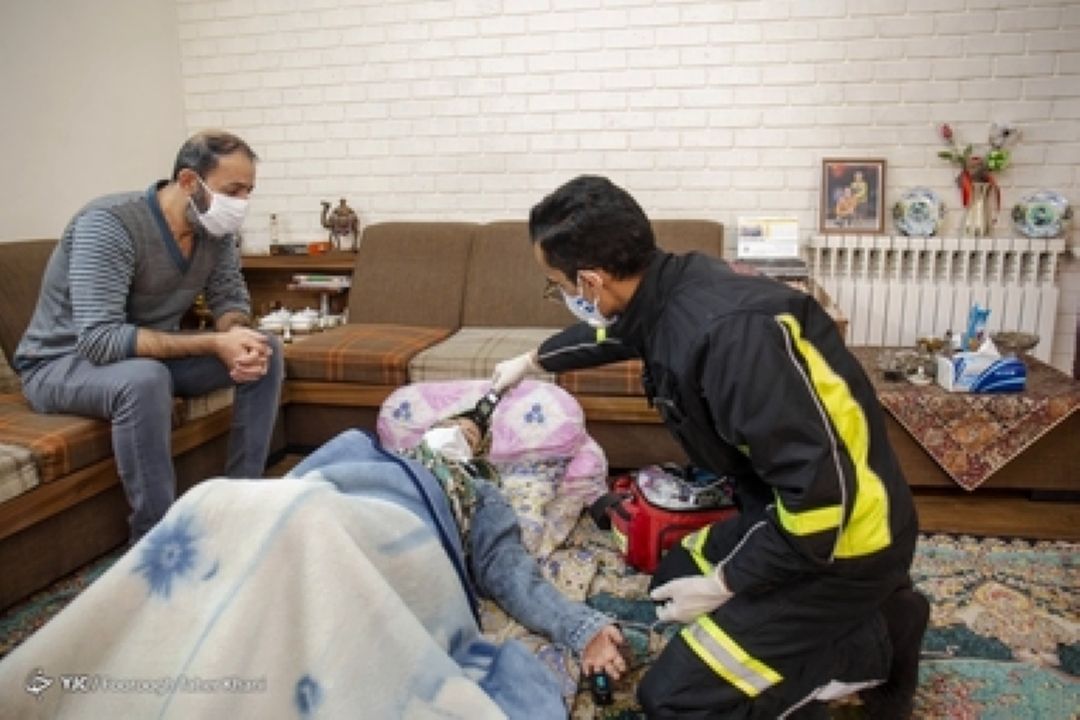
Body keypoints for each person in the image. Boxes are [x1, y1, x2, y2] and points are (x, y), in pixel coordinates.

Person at [489, 175, 928, 719]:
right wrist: (534, 360)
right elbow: (616, 334)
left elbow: (821, 503)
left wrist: (726, 583)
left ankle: (876, 641)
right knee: (672, 577)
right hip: (782, 511)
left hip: (844, 541)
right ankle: (859, 622)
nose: (564, 297)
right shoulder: (673, 286)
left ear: (592, 281)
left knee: (673, 701)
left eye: (558, 285)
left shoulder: (732, 341)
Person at [12, 130, 284, 542]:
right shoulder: (109, 224)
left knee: (266, 349)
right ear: (189, 181)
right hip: (60, 364)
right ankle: (155, 538)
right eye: (233, 191)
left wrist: (236, 335)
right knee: (145, 379)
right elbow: (99, 340)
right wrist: (214, 343)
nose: (241, 204)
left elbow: (229, 298)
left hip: (145, 356)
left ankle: (241, 501)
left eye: (248, 192)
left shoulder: (214, 229)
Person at [401, 400, 627, 682]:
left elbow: (507, 571)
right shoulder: (379, 456)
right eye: (451, 426)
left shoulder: (478, 492)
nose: (456, 434)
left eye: (469, 438)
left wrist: (582, 629)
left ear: (474, 457)